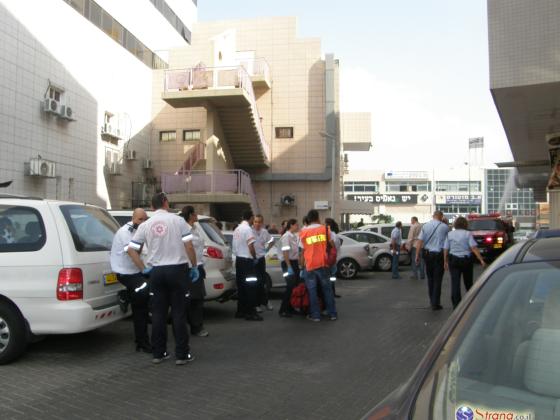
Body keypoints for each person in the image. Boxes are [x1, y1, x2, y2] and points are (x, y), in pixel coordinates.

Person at [128, 192, 198, 365]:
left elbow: (131, 249)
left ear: (152, 207)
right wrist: (194, 266)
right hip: (177, 270)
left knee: (158, 314)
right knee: (178, 313)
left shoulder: (146, 224)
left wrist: (143, 269)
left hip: (156, 272)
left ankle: (159, 353)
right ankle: (182, 355)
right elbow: (189, 245)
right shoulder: (178, 221)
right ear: (166, 203)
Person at [110, 208, 150, 353]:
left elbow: (140, 251)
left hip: (133, 271)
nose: (143, 222)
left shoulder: (138, 231)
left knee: (143, 302)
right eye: (140, 219)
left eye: (145, 219)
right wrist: (144, 270)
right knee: (142, 300)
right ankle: (142, 341)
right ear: (133, 218)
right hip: (125, 272)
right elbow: (132, 252)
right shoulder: (125, 232)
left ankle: (127, 296)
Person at [299, 210, 337, 322]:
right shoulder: (325, 229)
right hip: (323, 263)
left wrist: (301, 267)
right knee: (327, 290)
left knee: (312, 291)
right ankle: (332, 314)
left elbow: (302, 252)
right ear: (318, 217)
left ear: (309, 219)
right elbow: (332, 245)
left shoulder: (303, 232)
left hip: (309, 265)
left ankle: (316, 316)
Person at [444, 216, 486, 309]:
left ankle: (456, 305)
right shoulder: (468, 234)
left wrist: (445, 261)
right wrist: (481, 259)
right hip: (466, 260)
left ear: (455, 224)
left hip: (453, 260)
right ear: (465, 224)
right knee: (468, 282)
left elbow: (446, 249)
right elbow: (473, 248)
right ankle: (470, 302)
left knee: (455, 283)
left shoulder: (450, 234)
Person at [180, 206, 209, 337]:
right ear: (191, 215)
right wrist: (194, 266)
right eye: (195, 213)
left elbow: (199, 247)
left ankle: (195, 325)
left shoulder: (195, 229)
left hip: (198, 266)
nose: (197, 215)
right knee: (194, 299)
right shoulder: (185, 229)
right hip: (190, 267)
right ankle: (196, 327)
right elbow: (188, 248)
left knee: (198, 297)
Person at [415, 210, 449, 311]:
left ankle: (431, 301)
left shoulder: (425, 226)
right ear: (441, 217)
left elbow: (420, 241)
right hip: (439, 255)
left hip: (427, 254)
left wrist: (417, 255)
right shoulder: (445, 227)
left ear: (433, 216)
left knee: (430, 279)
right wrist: (446, 259)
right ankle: (436, 303)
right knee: (438, 280)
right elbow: (447, 244)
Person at [232, 210, 262, 321]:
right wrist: (254, 258)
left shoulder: (237, 229)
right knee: (251, 287)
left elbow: (234, 246)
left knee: (241, 287)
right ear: (250, 218)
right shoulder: (248, 229)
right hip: (247, 261)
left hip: (239, 260)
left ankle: (240, 311)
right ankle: (251, 313)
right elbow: (251, 247)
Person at [253, 214, 275, 312]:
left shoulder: (264, 232)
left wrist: (266, 250)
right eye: (255, 222)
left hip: (261, 259)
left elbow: (272, 241)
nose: (257, 224)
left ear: (262, 223)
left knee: (262, 282)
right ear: (253, 222)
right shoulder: (250, 231)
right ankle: (256, 304)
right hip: (252, 259)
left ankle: (265, 302)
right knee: (255, 282)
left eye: (259, 222)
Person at [278, 219, 300, 317]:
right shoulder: (286, 236)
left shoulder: (293, 236)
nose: (297, 226)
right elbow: (285, 252)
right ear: (291, 225)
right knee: (290, 286)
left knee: (294, 286)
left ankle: (290, 308)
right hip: (288, 263)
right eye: (296, 225)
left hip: (294, 262)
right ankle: (283, 309)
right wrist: (289, 266)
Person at [325, 218, 342, 298]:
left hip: (326, 259)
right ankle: (332, 292)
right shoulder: (334, 235)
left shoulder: (328, 234)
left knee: (326, 277)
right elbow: (337, 247)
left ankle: (328, 293)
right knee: (332, 277)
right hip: (333, 259)